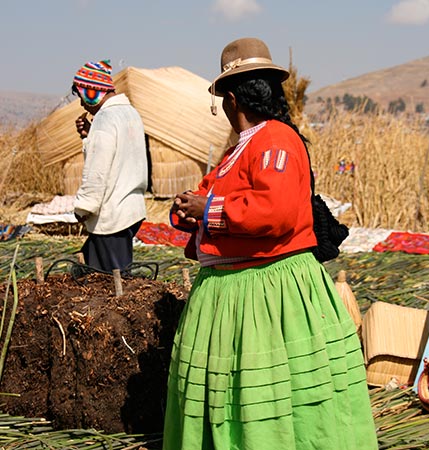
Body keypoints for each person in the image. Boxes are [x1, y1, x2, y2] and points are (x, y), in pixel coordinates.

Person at [163, 38, 378, 449]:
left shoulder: (275, 141)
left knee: (275, 392)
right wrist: (186, 209)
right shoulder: (236, 152)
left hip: (269, 291)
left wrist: (206, 209)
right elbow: (207, 196)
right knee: (235, 393)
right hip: (228, 290)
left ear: (229, 99)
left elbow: (273, 211)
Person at [71, 60, 148, 273]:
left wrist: (84, 208)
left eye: (81, 96)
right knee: (86, 270)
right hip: (131, 210)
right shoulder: (130, 113)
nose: (82, 105)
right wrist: (89, 136)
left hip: (112, 217)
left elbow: (97, 172)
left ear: (91, 91)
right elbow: (120, 156)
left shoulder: (105, 119)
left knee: (111, 286)